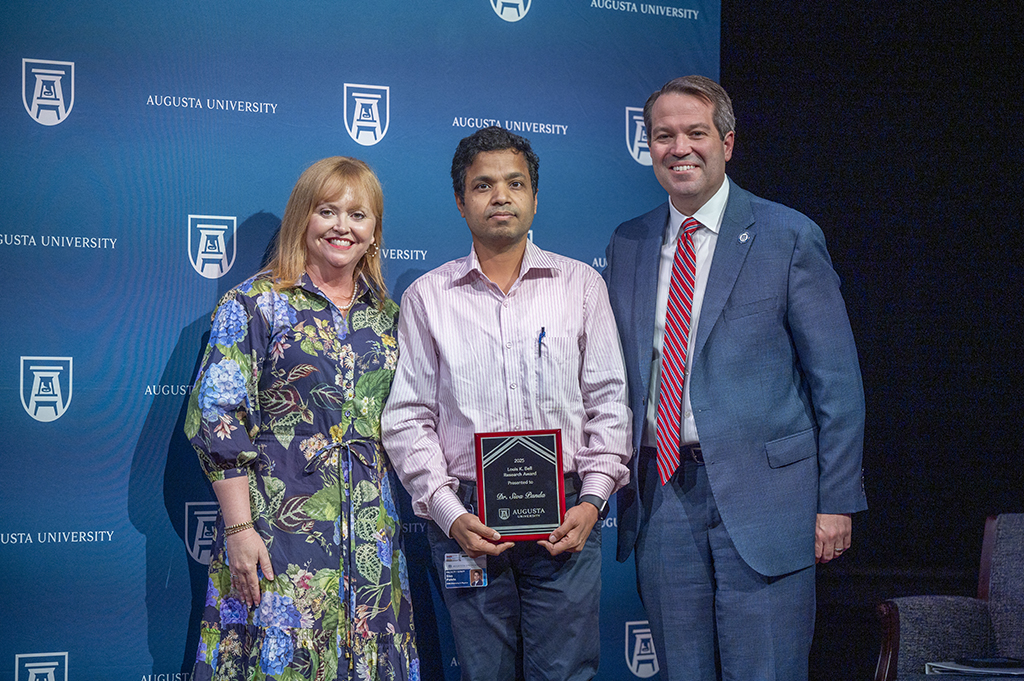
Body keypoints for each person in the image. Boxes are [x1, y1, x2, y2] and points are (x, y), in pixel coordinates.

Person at [604, 76, 867, 681]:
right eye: (664, 136)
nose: (680, 148)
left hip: (769, 500)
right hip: (664, 494)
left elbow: (837, 382)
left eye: (696, 133)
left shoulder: (788, 235)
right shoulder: (629, 242)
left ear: (727, 142)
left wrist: (837, 501)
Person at [381, 126, 631, 681]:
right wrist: (450, 514)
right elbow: (407, 419)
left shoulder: (581, 286)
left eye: (515, 183)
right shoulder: (428, 297)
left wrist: (591, 502)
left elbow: (610, 403)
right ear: (460, 201)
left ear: (534, 197)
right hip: (468, 521)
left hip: (567, 516)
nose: (500, 196)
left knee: (566, 675)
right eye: (483, 185)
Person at [185, 157, 419, 680]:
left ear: (374, 231)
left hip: (370, 539)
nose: (343, 226)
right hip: (277, 531)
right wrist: (239, 530)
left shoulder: (388, 315)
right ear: (302, 219)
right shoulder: (254, 304)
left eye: (358, 215)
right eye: (328, 211)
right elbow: (218, 419)